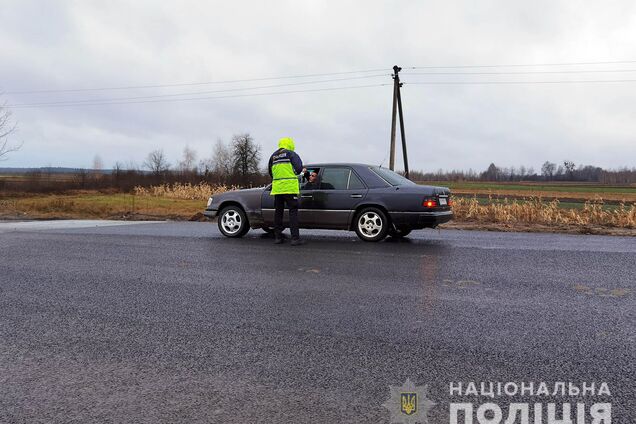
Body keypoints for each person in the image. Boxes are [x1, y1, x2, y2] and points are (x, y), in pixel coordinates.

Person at [268, 137, 304, 245]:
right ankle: (295, 239)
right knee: (293, 212)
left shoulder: (273, 156)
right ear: (290, 144)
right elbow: (299, 169)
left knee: (278, 212)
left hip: (278, 189)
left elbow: (270, 172)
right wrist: (291, 172)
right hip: (289, 188)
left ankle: (278, 238)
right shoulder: (291, 154)